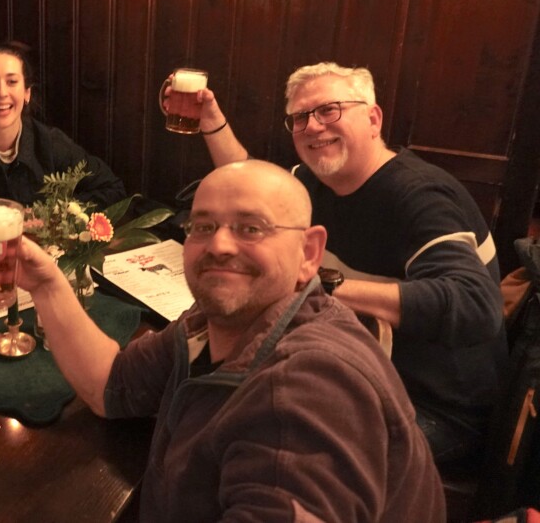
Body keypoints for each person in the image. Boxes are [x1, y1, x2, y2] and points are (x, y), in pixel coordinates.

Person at [16, 160, 444, 520]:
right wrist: (48, 285)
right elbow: (111, 386)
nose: (218, 245)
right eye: (202, 227)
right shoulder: (209, 324)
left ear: (309, 254)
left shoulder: (305, 390)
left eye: (251, 228)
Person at [187, 61, 506, 464]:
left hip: (436, 407)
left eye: (329, 110)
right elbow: (248, 182)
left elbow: (477, 304)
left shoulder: (418, 195)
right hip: (355, 372)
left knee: (269, 452)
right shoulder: (314, 181)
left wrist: (320, 285)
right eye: (300, 117)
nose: (313, 126)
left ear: (373, 119)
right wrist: (212, 124)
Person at [0, 40, 125, 223]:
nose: (1, 93)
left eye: (12, 81)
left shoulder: (49, 142)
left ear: (27, 92)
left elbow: (112, 189)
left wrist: (53, 215)